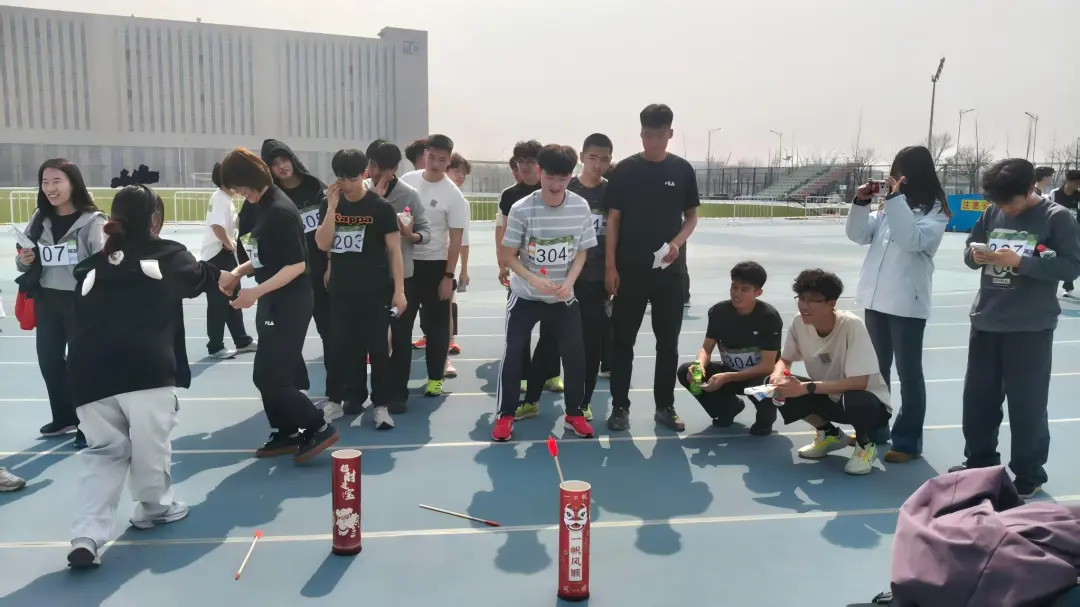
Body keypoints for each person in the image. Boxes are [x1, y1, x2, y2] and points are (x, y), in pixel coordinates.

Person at [66, 185, 220, 568]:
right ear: (154, 220)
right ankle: (154, 507)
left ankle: (86, 535)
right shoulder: (168, 255)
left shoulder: (92, 267)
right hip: (145, 370)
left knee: (103, 454)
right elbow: (202, 278)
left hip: (87, 375)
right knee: (151, 448)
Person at [950, 158, 1080, 498]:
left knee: (1027, 404)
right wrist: (975, 256)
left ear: (1029, 189)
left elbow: (1071, 266)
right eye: (998, 201)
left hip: (1029, 327)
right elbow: (970, 249)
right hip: (986, 319)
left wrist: (1022, 263)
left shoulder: (1056, 217)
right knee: (978, 400)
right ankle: (980, 462)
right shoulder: (992, 212)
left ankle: (1028, 471)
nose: (1004, 208)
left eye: (1009, 201)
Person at [217, 148, 339, 462]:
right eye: (237, 190)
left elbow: (296, 265)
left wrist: (254, 293)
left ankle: (318, 426)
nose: (242, 194)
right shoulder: (257, 207)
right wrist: (236, 273)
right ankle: (287, 432)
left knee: (276, 377)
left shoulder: (280, 211)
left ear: (255, 178)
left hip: (290, 301)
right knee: (264, 375)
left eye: (243, 187)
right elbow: (262, 257)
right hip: (272, 299)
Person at [844, 145, 950, 463]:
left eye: (901, 173)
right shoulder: (888, 207)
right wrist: (861, 203)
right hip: (876, 300)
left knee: (909, 373)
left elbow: (911, 240)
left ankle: (907, 441)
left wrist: (894, 200)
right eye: (893, 172)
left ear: (915, 175)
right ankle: (876, 428)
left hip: (906, 303)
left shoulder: (935, 210)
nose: (895, 178)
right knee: (876, 370)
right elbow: (858, 234)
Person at [604, 103, 699, 432]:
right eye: (647, 135)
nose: (653, 141)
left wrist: (677, 243)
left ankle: (665, 406)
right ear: (641, 134)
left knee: (668, 344)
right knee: (622, 343)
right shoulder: (625, 170)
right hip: (629, 271)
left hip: (670, 273)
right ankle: (619, 407)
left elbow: (691, 217)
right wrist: (610, 266)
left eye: (659, 135)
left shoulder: (682, 170)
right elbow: (613, 219)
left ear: (670, 133)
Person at [493, 144, 596, 442]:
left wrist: (571, 281)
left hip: (562, 296)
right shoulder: (522, 209)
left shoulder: (580, 207)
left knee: (575, 354)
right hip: (525, 295)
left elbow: (582, 251)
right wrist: (533, 280)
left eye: (563, 178)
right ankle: (505, 415)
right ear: (540, 172)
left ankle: (574, 413)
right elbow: (509, 256)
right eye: (550, 177)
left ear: (571, 176)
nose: (555, 185)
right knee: (514, 352)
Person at [15, 159, 107, 450]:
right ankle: (63, 416)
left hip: (80, 300)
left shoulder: (93, 221)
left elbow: (103, 262)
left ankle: (88, 424)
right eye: (45, 182)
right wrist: (24, 260)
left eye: (57, 181)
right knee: (50, 361)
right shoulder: (39, 217)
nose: (50, 188)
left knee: (83, 365)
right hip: (47, 299)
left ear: (73, 183)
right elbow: (23, 259)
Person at [314, 149, 407, 430]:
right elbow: (322, 243)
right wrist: (332, 208)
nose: (348, 185)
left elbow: (395, 251)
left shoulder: (380, 208)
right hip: (342, 290)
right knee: (338, 347)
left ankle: (381, 406)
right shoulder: (330, 204)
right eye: (342, 179)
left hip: (375, 291)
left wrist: (399, 291)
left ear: (363, 174)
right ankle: (334, 400)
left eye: (353, 179)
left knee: (378, 350)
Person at [770, 269, 893, 475]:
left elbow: (860, 382)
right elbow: (785, 359)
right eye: (801, 298)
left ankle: (865, 445)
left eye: (813, 300)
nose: (804, 305)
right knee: (776, 386)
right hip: (827, 396)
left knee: (856, 398)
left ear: (831, 303)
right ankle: (828, 434)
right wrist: (778, 375)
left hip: (869, 405)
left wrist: (806, 387)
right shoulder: (799, 322)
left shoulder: (851, 326)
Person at [258, 139, 330, 395]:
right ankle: (296, 389)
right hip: (289, 281)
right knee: (288, 337)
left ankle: (337, 389)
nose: (282, 166)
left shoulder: (316, 188)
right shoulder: (269, 198)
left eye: (284, 159)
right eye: (274, 163)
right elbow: (252, 235)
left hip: (321, 275)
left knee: (330, 333)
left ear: (292, 159)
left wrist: (331, 265)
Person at [676, 261, 782, 435]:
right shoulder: (718, 312)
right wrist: (699, 365)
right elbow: (706, 349)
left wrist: (727, 377)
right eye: (734, 287)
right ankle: (728, 408)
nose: (736, 294)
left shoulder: (769, 317)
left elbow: (767, 366)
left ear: (758, 292)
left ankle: (766, 418)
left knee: (766, 387)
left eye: (744, 289)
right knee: (685, 371)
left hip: (758, 376)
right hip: (729, 372)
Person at [399, 135, 469, 397]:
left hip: (436, 266)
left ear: (449, 160)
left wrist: (448, 276)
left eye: (442, 159)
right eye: (431, 157)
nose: (436, 163)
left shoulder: (453, 195)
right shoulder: (407, 181)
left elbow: (456, 239)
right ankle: (398, 383)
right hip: (406, 264)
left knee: (437, 327)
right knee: (401, 325)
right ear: (424, 156)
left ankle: (435, 378)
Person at [363, 140, 429, 414]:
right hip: (367, 277)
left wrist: (411, 235)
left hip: (402, 278)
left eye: (382, 168)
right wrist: (372, 200)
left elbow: (425, 232)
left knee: (401, 337)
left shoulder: (408, 194)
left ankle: (397, 393)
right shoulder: (360, 193)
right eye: (372, 165)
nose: (376, 172)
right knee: (370, 337)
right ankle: (367, 392)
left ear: (393, 169)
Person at [495, 139, 563, 395]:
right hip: (521, 271)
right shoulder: (510, 196)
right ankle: (523, 374)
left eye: (531, 161)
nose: (524, 167)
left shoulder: (554, 191)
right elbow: (504, 232)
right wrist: (503, 264)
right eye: (520, 161)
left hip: (554, 270)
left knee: (553, 326)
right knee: (520, 327)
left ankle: (551, 373)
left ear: (540, 165)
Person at [566, 133, 614, 421]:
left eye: (604, 159)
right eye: (592, 158)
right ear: (582, 157)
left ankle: (584, 400)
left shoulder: (612, 192)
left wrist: (612, 269)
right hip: (564, 278)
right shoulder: (567, 187)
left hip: (597, 279)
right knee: (557, 339)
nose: (598, 164)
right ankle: (535, 395)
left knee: (591, 341)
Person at [199, 162, 256, 359]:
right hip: (217, 256)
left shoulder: (225, 199)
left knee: (233, 298)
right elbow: (216, 226)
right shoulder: (221, 199)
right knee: (218, 302)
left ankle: (242, 340)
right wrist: (229, 244)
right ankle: (215, 346)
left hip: (223, 256)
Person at [443, 152, 473, 374]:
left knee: (445, 307)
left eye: (464, 173)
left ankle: (446, 351)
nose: (461, 176)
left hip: (446, 263)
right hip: (421, 260)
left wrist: (463, 270)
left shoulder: (462, 202)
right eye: (457, 171)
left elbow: (464, 240)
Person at [1049, 170, 1080, 297]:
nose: (1078, 185)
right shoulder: (1055, 193)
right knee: (1053, 257)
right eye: (1077, 182)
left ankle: (1068, 286)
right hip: (1056, 229)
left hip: (1074, 230)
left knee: (1072, 257)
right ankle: (1051, 285)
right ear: (1068, 180)